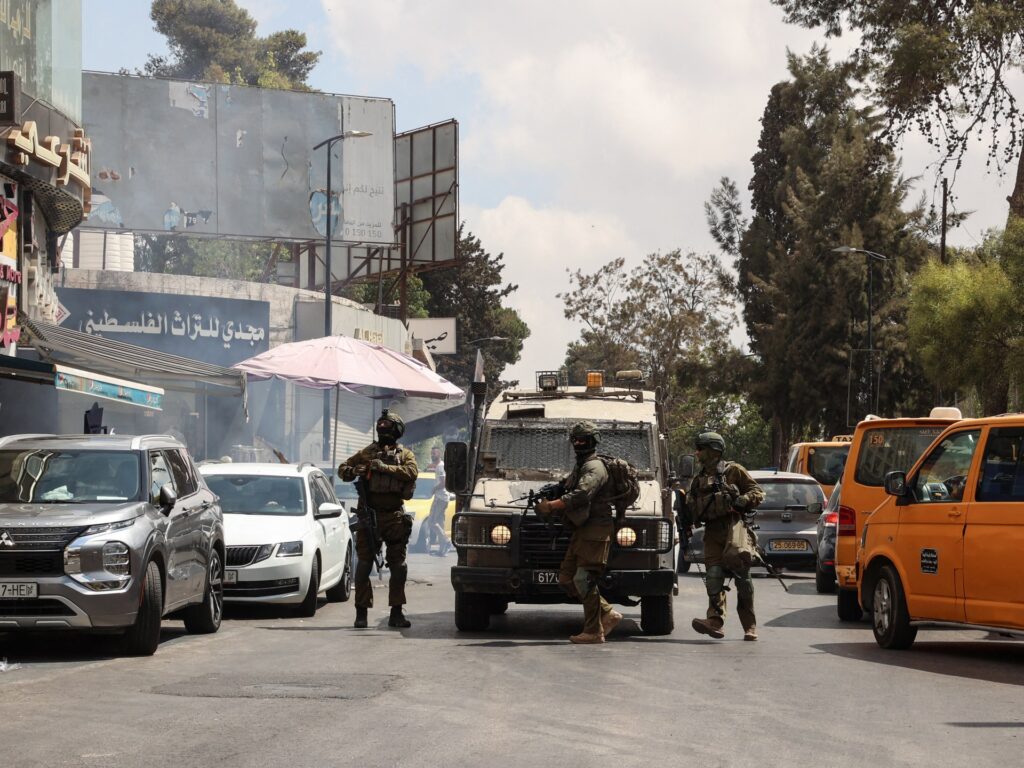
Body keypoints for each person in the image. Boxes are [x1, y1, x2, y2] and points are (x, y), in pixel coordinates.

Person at [536, 421, 623, 644]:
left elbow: (582, 495)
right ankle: (607, 613)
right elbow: (571, 486)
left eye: (582, 439)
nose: (578, 443)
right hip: (582, 529)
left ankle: (594, 631)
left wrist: (553, 505)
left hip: (595, 529)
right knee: (567, 578)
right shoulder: (582, 465)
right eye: (575, 439)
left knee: (584, 578)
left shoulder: (595, 467)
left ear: (593, 441)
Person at [338, 409, 419, 629]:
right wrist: (356, 469)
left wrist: (385, 468)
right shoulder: (367, 451)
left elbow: (411, 473)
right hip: (369, 516)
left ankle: (396, 613)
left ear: (397, 431)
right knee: (363, 565)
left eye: (387, 427)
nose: (383, 430)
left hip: (394, 517)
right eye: (381, 426)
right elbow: (342, 470)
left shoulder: (405, 455)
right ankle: (361, 613)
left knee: (398, 567)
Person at [683, 431, 765, 641]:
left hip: (734, 529)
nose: (697, 453)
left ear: (713, 450)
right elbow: (692, 508)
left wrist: (743, 500)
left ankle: (750, 626)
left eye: (700, 449)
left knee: (743, 580)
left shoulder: (734, 471)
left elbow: (758, 492)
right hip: (712, 533)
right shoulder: (698, 479)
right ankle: (715, 622)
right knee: (713, 577)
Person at [426, 444, 451, 555]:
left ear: (439, 454)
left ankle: (446, 540)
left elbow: (443, 483)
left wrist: (433, 489)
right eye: (431, 453)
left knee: (431, 522)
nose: (432, 455)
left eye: (434, 453)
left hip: (440, 498)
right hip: (443, 498)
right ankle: (442, 550)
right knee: (440, 523)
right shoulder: (441, 465)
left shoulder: (440, 466)